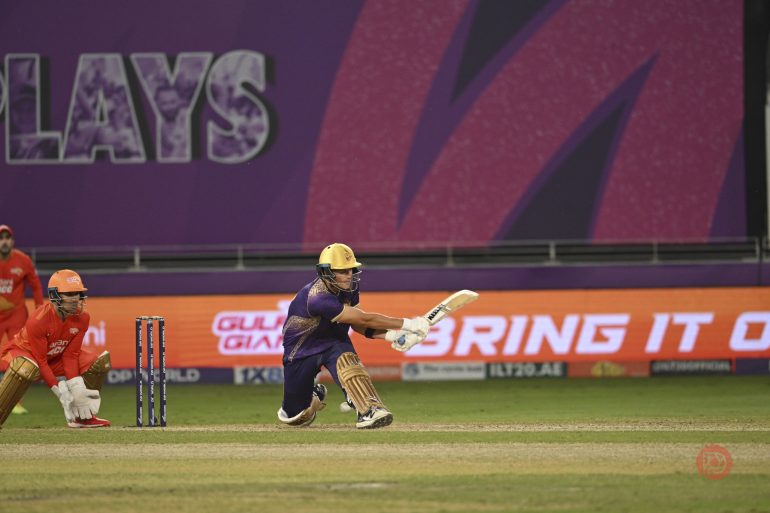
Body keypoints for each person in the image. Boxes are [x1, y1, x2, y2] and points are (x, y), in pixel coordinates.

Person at [277, 243, 429, 429]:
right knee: (296, 416)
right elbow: (364, 319)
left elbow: (356, 325)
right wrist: (408, 324)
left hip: (334, 341)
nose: (348, 275)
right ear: (326, 272)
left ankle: (369, 411)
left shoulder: (349, 289)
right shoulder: (317, 298)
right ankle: (312, 395)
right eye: (342, 270)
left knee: (349, 365)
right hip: (301, 351)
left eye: (350, 269)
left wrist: (392, 336)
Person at [0, 269, 112, 428]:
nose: (76, 299)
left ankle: (83, 417)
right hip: (25, 354)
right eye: (70, 294)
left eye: (78, 293)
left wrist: (76, 387)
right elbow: (40, 360)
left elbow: (71, 355)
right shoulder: (38, 320)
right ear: (54, 296)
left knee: (97, 363)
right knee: (26, 367)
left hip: (54, 357)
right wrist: (60, 392)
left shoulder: (83, 317)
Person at [0, 224, 44, 414]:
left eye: (7, 238)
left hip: (17, 315)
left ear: (13, 241)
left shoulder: (23, 261)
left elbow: (35, 286)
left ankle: (15, 401)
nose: (4, 241)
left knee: (18, 357)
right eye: (1, 238)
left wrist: (40, 310)